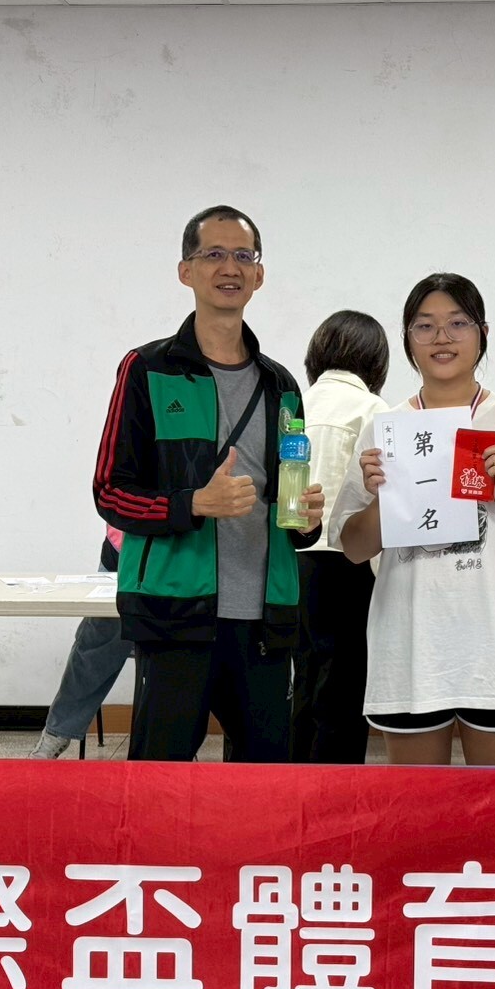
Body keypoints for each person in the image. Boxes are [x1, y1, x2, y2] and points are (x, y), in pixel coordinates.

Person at [93, 205, 324, 762]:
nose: (230, 267)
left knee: (265, 779)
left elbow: (288, 498)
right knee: (160, 776)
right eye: (213, 254)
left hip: (266, 616)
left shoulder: (280, 384)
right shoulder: (148, 369)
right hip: (175, 613)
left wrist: (305, 521)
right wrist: (194, 503)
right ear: (186, 271)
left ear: (258, 274)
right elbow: (110, 491)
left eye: (243, 256)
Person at [334, 273, 495, 766]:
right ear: (408, 339)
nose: (441, 337)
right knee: (420, 807)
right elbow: (354, 548)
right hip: (411, 650)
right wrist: (381, 499)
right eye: (424, 326)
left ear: (482, 333)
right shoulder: (385, 430)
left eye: (457, 323)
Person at [292, 310, 390, 764]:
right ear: (375, 360)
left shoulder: (296, 403)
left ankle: (294, 782)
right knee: (345, 688)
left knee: (303, 680)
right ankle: (336, 787)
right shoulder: (372, 410)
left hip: (293, 558)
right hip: (348, 561)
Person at [30, 527, 132, 759]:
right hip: (122, 552)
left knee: (187, 649)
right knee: (94, 647)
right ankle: (57, 732)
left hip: (185, 557)